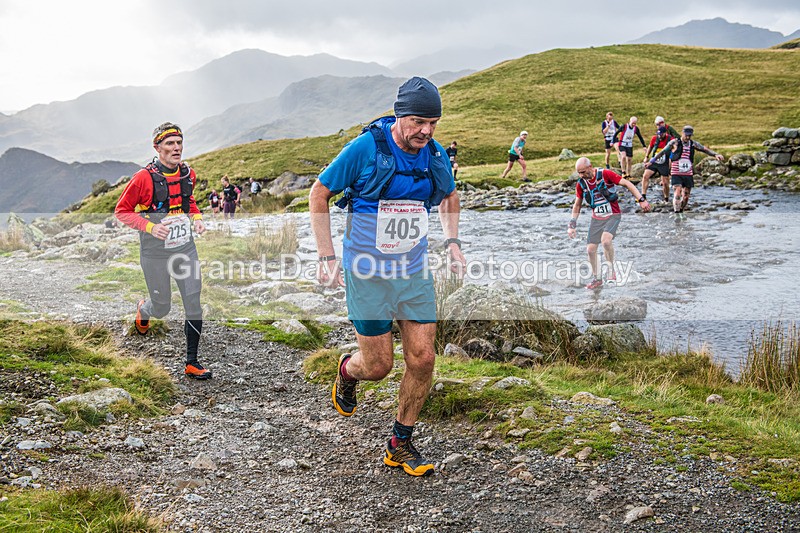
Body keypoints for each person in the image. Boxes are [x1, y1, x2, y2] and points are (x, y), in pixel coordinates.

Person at [309, 76, 465, 477]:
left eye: (433, 123)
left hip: (412, 270)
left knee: (423, 357)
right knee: (378, 366)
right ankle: (347, 371)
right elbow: (319, 194)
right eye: (418, 122)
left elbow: (448, 195)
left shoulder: (434, 154)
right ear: (399, 116)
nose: (426, 132)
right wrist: (327, 256)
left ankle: (400, 443)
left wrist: (452, 243)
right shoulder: (366, 148)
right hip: (367, 271)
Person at [114, 122, 211, 379]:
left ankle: (192, 361)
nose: (176, 147)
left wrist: (197, 218)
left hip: (184, 248)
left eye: (179, 142)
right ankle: (144, 308)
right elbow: (121, 211)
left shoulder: (188, 173)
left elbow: (188, 200)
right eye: (170, 143)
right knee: (162, 307)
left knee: (193, 300)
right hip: (155, 251)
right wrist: (148, 226)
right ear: (157, 147)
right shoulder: (142, 178)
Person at [567, 157, 650, 289]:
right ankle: (597, 279)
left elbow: (627, 184)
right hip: (597, 218)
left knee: (606, 241)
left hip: (613, 215)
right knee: (590, 250)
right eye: (579, 173)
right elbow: (577, 204)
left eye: (583, 172)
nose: (581, 175)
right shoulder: (581, 183)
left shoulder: (605, 174)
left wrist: (641, 199)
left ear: (590, 167)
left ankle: (611, 271)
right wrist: (572, 224)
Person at [648, 125, 724, 218]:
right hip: (676, 172)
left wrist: (716, 154)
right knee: (678, 192)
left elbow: (705, 149)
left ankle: (681, 210)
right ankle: (676, 214)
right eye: (686, 135)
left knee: (686, 196)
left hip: (688, 173)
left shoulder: (693, 144)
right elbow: (663, 152)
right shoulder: (674, 142)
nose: (688, 137)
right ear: (682, 133)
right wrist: (651, 161)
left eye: (689, 136)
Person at [641, 126, 673, 202]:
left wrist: (671, 162)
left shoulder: (670, 140)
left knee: (665, 183)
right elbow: (650, 147)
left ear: (665, 133)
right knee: (645, 176)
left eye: (661, 134)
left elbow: (674, 150)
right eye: (658, 134)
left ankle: (666, 198)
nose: (659, 136)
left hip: (664, 162)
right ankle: (643, 195)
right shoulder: (654, 139)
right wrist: (646, 156)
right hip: (654, 161)